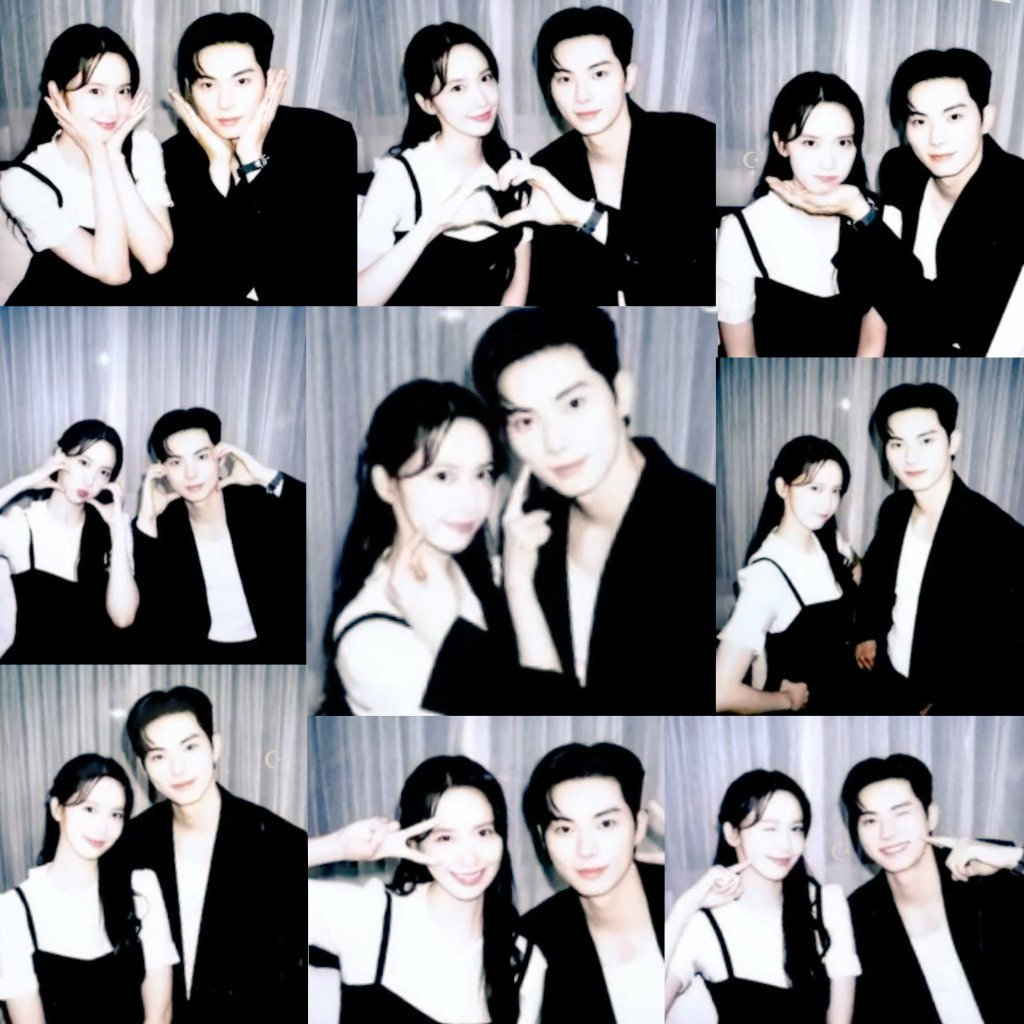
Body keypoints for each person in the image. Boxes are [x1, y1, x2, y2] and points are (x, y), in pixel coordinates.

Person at [472, 306, 714, 712]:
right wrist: (516, 586)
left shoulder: (698, 525)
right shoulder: (531, 526)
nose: (554, 442)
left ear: (622, 395)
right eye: (526, 421)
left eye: (573, 404)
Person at [322, 379, 575, 715]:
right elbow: (541, 712)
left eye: (482, 474)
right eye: (443, 476)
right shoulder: (374, 645)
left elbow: (548, 695)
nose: (472, 501)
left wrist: (518, 584)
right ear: (386, 484)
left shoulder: (482, 569)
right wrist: (442, 629)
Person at [770, 49, 1024, 355]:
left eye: (954, 117)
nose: (936, 138)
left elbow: (946, 323)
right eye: (919, 120)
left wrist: (862, 214)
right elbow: (871, 286)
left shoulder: (1015, 193)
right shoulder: (900, 169)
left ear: (985, 119)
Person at [499, 5, 712, 304]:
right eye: (565, 79)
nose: (582, 95)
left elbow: (692, 274)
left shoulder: (693, 143)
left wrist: (585, 216)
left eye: (598, 74)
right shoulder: (547, 169)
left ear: (628, 77)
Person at [307, 754, 545, 1022]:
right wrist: (337, 846)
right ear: (414, 844)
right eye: (445, 838)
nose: (470, 858)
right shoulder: (371, 916)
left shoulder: (524, 960)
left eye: (483, 832)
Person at [121, 686, 305, 1024]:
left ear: (215, 747)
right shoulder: (129, 844)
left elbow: (292, 980)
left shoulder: (279, 840)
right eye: (158, 756)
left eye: (190, 747)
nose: (177, 768)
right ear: (143, 766)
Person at [853, 383, 1024, 713]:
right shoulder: (894, 509)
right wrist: (868, 632)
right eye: (897, 443)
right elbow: (877, 579)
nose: (910, 457)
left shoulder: (999, 535)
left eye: (926, 440)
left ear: (953, 442)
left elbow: (1004, 651)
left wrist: (951, 705)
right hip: (887, 677)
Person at [163, 12, 355, 303]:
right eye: (208, 85)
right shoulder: (169, 160)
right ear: (189, 90)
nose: (225, 103)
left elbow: (312, 278)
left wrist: (252, 159)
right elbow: (204, 286)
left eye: (242, 81)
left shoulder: (325, 139)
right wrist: (218, 166)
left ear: (268, 80)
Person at [717, 73, 901, 356]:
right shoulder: (741, 230)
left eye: (843, 142)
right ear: (781, 144)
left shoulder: (882, 219)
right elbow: (740, 353)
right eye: (810, 143)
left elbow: (873, 340)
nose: (829, 162)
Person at [841, 753, 1024, 1024]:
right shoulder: (857, 914)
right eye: (870, 820)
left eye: (901, 813)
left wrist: (1015, 858)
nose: (887, 832)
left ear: (931, 816)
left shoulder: (986, 868)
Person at [357, 22, 530, 306]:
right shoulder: (399, 175)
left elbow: (517, 286)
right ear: (427, 103)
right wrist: (432, 225)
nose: (481, 99)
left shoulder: (515, 165)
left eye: (486, 78)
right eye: (458, 88)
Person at [666, 769, 859, 1023]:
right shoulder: (703, 927)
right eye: (770, 829)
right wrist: (687, 904)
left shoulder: (827, 904)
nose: (786, 844)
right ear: (732, 833)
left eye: (796, 829)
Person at [0, 24, 172, 305]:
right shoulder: (21, 180)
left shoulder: (142, 147)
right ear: (57, 93)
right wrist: (98, 158)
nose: (113, 109)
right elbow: (114, 272)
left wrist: (114, 156)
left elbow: (154, 259)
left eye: (123, 91)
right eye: (95, 91)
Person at [0, 754, 177, 1024]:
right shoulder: (13, 910)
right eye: (89, 809)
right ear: (57, 809)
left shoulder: (141, 888)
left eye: (115, 814)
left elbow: (160, 1015)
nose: (102, 827)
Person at [131, 406, 305, 663]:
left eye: (201, 457)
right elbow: (150, 616)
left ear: (220, 458)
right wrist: (146, 520)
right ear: (163, 470)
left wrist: (264, 475)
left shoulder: (258, 504)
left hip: (275, 647)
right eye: (176, 462)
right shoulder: (163, 525)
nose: (190, 473)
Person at [518, 742, 661, 1024]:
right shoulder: (533, 940)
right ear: (542, 838)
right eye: (565, 829)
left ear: (639, 826)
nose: (586, 849)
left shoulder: (683, 899)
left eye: (606, 824)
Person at [716, 436, 859, 715]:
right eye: (815, 488)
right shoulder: (766, 577)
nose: (828, 503)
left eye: (836, 491)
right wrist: (785, 700)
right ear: (782, 487)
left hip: (847, 691)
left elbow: (857, 570)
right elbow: (721, 692)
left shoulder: (827, 538)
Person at [0, 420, 137, 662]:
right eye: (84, 463)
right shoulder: (22, 524)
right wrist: (26, 482)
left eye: (104, 472)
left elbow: (123, 618)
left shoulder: (113, 527)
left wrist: (117, 531)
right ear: (59, 456)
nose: (90, 480)